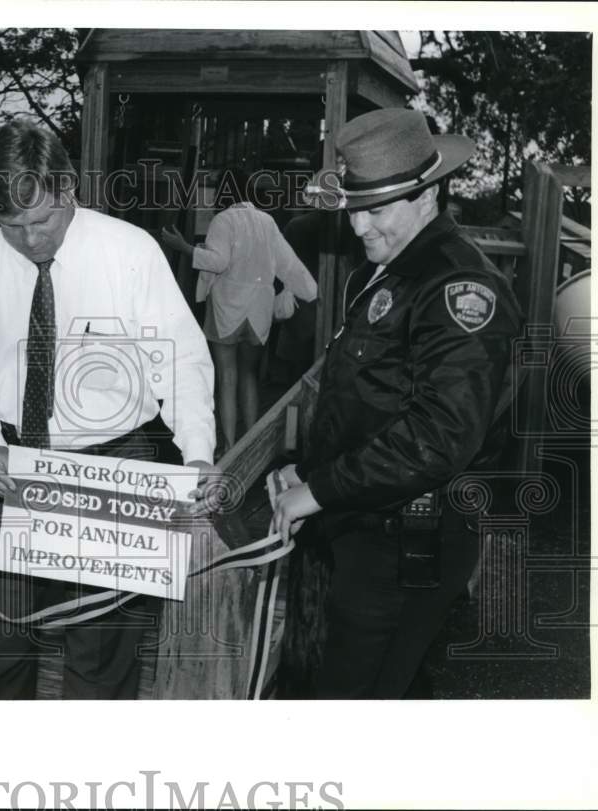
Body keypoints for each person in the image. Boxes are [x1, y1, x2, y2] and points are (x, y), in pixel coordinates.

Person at [0, 119, 220, 700]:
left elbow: (182, 360)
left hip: (114, 463)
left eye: (41, 221)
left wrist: (197, 454)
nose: (31, 240)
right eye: (11, 226)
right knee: (4, 641)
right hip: (14, 466)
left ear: (68, 190)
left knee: (103, 650)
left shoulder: (130, 251)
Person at [270, 108, 523, 699]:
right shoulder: (387, 271)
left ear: (428, 194)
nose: (360, 228)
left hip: (408, 541)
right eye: (355, 210)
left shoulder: (460, 288)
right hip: (365, 527)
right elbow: (370, 401)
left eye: (377, 210)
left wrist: (320, 489)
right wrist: (309, 472)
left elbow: (439, 436)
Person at [161, 168, 316, 454]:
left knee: (226, 378)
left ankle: (230, 446)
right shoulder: (267, 221)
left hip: (227, 308)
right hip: (258, 312)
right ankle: (252, 446)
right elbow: (288, 263)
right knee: (249, 376)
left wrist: (183, 247)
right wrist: (309, 290)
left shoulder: (223, 219)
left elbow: (218, 263)